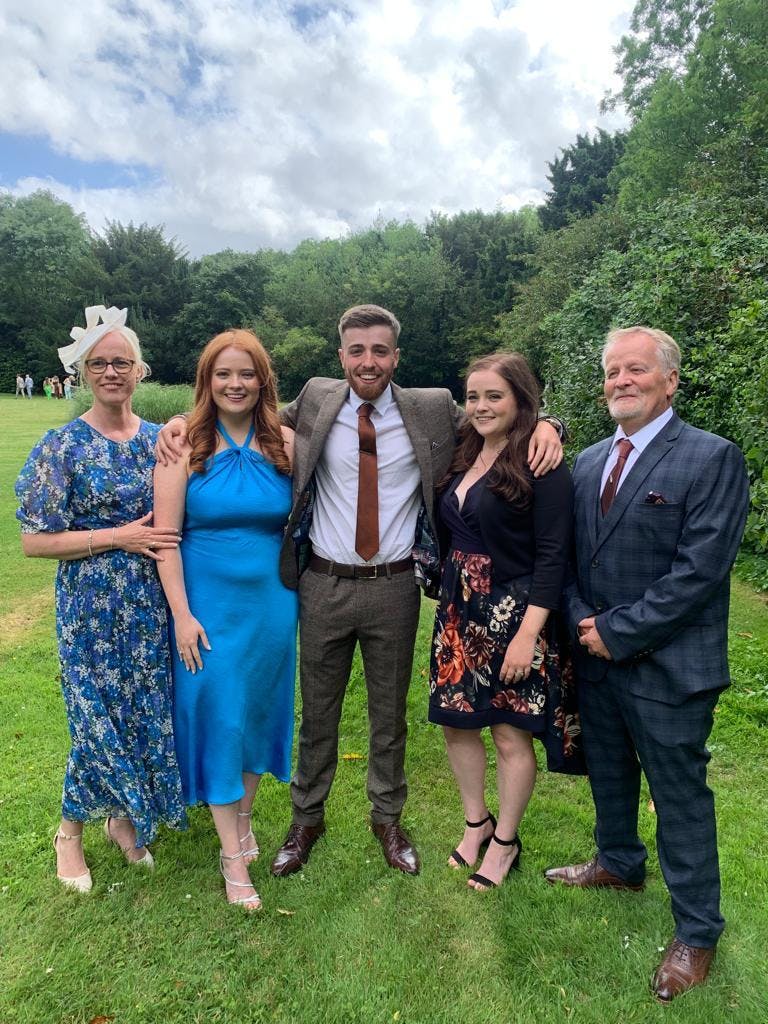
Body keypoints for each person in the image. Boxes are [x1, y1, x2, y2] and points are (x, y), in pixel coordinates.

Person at [157, 304, 563, 877]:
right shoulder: (316, 401)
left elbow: (502, 412)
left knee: (387, 715)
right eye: (356, 351)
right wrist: (178, 420)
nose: (367, 361)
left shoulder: (431, 408)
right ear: (341, 355)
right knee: (317, 713)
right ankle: (306, 819)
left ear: (397, 356)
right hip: (322, 582)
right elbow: (240, 407)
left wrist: (551, 425)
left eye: (379, 351)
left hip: (393, 586)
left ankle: (388, 819)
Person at [546, 326, 749, 1002]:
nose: (620, 381)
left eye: (636, 370)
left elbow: (700, 573)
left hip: (668, 666)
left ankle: (696, 932)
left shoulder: (711, 458)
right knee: (608, 772)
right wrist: (583, 624)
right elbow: (571, 556)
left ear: (669, 381)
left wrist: (617, 631)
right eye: (611, 372)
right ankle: (619, 863)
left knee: (680, 798)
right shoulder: (588, 461)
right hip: (597, 658)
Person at [15, 305, 186, 892]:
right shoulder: (62, 445)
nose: (112, 371)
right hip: (89, 605)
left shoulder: (158, 441)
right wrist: (120, 535)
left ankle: (122, 818)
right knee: (95, 715)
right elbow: (35, 542)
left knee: (142, 711)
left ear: (140, 371)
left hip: (147, 601)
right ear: (84, 372)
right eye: (100, 363)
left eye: (122, 362)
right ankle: (70, 830)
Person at [154, 329, 297, 911]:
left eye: (246, 374)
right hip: (206, 605)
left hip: (272, 605)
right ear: (206, 381)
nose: (234, 385)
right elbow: (165, 539)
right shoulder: (182, 442)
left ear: (263, 380)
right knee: (217, 715)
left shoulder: (286, 440)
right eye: (222, 375)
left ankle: (242, 820)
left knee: (258, 714)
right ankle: (231, 857)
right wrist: (182, 616)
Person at [429, 352, 581, 891]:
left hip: (513, 615)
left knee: (508, 734)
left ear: (521, 400)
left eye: (495, 396)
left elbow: (553, 556)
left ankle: (505, 843)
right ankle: (477, 823)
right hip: (457, 614)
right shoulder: (463, 449)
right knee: (455, 722)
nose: (481, 406)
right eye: (473, 396)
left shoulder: (542, 462)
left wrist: (527, 635)